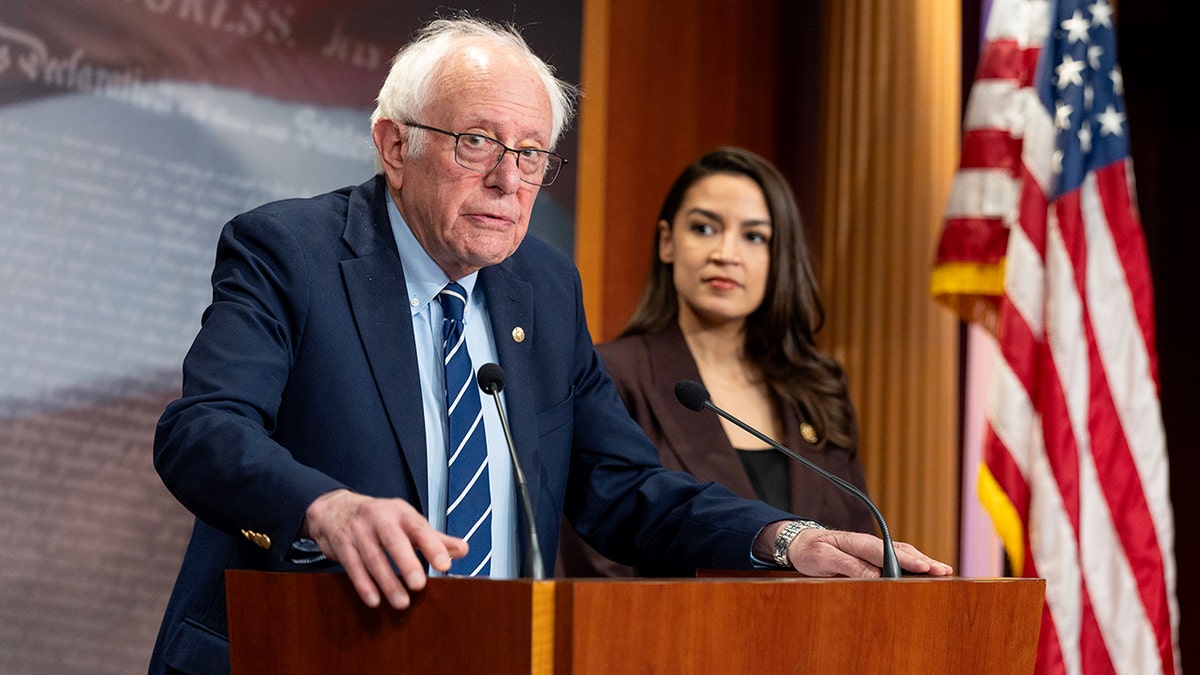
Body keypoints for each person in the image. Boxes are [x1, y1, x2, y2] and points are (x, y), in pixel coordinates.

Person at [149, 15, 951, 674]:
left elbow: (623, 485)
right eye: (477, 142)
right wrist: (324, 507)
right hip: (301, 651)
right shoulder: (290, 252)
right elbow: (202, 430)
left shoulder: (542, 286)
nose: (509, 179)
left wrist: (785, 537)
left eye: (531, 153)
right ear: (394, 146)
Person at [558, 147, 876, 577]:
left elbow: (856, 541)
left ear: (778, 258)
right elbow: (599, 557)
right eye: (704, 229)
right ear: (667, 242)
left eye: (754, 236)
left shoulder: (818, 386)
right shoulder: (612, 375)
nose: (726, 253)